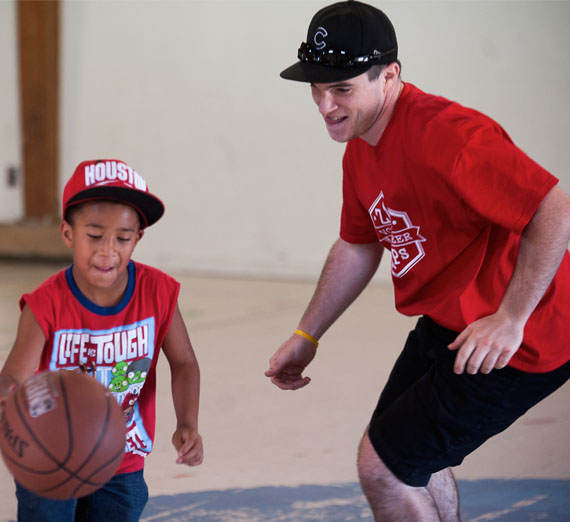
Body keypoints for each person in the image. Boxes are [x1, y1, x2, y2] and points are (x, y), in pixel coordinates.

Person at [264, 2, 570, 521]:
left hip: (528, 333)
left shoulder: (450, 136)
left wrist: (510, 318)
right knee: (407, 461)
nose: (325, 105)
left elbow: (555, 208)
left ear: (389, 75)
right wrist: (307, 334)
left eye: (342, 89)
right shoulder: (362, 144)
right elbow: (359, 244)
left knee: (384, 466)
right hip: (451, 320)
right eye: (317, 87)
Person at [0, 159, 203, 521]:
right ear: (67, 234)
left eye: (123, 238)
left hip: (121, 459)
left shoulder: (157, 292)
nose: (108, 250)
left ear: (137, 238)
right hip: (50, 457)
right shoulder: (45, 303)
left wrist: (187, 423)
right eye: (94, 235)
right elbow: (15, 375)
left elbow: (184, 362)